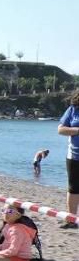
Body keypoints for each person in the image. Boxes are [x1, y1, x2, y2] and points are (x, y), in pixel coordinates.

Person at [57, 90, 79, 228]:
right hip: (75, 156)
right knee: (73, 188)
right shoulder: (73, 109)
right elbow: (60, 130)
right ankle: (71, 220)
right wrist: (77, 130)